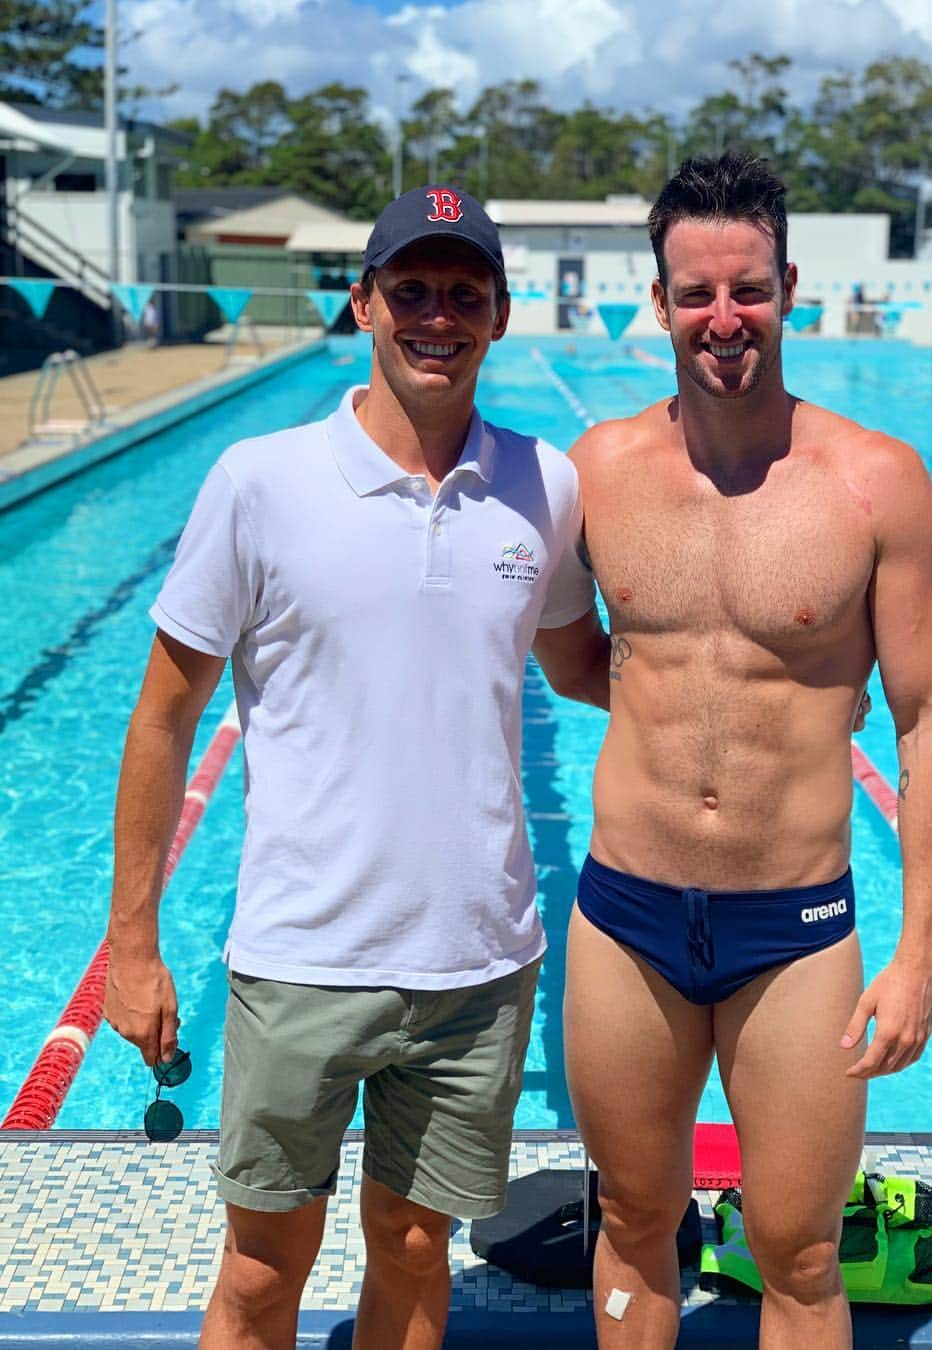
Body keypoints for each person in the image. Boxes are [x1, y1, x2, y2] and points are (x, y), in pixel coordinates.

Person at [103, 185, 610, 1350]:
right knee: (260, 1274)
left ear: (499, 311)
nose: (440, 314)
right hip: (302, 961)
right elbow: (162, 719)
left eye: (465, 292)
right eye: (414, 289)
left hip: (478, 967)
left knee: (419, 1253)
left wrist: (753, 701)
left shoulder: (547, 485)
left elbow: (584, 663)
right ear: (364, 303)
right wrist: (131, 944)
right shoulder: (258, 481)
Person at [564, 154, 932, 1350]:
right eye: (696, 294)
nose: (723, 320)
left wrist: (922, 953)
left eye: (747, 290)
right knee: (635, 1216)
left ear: (787, 285)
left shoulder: (875, 484)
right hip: (624, 917)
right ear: (660, 300)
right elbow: (571, 655)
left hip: (793, 934)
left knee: (795, 1251)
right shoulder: (596, 473)